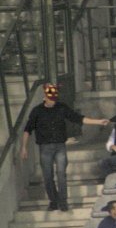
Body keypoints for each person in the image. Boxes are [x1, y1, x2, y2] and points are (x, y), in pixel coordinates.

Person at [20, 83, 108, 211]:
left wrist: (98, 121)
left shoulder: (61, 108)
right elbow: (27, 129)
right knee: (48, 176)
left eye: (54, 98)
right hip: (45, 147)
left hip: (60, 146)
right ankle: (53, 201)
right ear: (45, 96)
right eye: (51, 98)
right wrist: (24, 147)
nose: (53, 101)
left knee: (61, 174)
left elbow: (78, 118)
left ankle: (63, 201)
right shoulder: (37, 111)